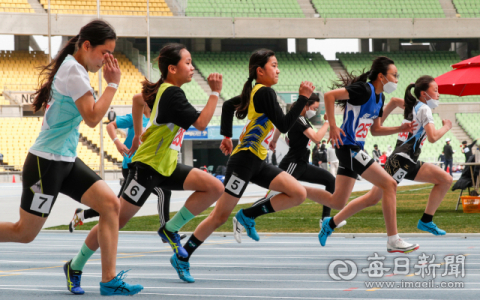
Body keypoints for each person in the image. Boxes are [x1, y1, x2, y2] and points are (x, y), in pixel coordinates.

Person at [0, 20, 143, 296]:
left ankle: (108, 280)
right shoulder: (74, 71)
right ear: (87, 46)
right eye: (105, 53)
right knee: (24, 233)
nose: (108, 60)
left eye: (112, 54)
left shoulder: (74, 67)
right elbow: (92, 118)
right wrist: (113, 85)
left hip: (65, 161)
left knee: (111, 205)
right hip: (45, 165)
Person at [67, 43, 225, 286]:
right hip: (148, 169)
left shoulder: (164, 89)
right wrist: (214, 92)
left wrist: (139, 134)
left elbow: (138, 99)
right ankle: (75, 266)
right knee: (114, 221)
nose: (193, 68)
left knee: (214, 187)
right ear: (172, 69)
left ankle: (170, 228)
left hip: (167, 166)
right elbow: (202, 123)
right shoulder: (172, 93)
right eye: (188, 62)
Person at [167, 49, 316, 283]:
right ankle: (183, 257)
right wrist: (303, 98)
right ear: (260, 71)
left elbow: (228, 107)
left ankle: (247, 215)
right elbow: (285, 125)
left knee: (298, 193)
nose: (278, 70)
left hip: (258, 161)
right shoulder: (264, 92)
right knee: (219, 216)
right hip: (244, 162)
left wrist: (226, 136)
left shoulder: (257, 92)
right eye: (274, 65)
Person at [321, 75, 453, 246]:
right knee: (372, 198)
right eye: (435, 90)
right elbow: (433, 137)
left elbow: (394, 101)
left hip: (409, 161)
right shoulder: (425, 109)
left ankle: (426, 220)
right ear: (423, 93)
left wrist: (379, 120)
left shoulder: (414, 105)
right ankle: (331, 223)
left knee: (445, 179)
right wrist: (447, 127)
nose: (438, 94)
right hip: (400, 160)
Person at [318, 56, 418, 254]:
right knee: (389, 184)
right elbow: (329, 96)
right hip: (348, 148)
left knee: (339, 201)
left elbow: (376, 130)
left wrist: (401, 127)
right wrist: (332, 126)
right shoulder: (364, 90)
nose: (397, 79)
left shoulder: (379, 98)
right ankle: (393, 240)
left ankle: (327, 222)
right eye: (394, 75)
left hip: (356, 149)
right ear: (381, 76)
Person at [239, 94, 346, 244]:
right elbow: (316, 138)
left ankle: (325, 220)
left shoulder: (297, 117)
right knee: (271, 197)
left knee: (329, 180)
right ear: (306, 106)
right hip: (292, 165)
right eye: (314, 108)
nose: (315, 111)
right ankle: (245, 216)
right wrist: (327, 123)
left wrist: (275, 140)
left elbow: (281, 125)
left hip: (302, 164)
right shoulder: (300, 119)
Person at [68, 106, 184, 242]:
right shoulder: (135, 117)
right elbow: (111, 125)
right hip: (131, 167)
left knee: (116, 206)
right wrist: (117, 142)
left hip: (145, 167)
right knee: (163, 192)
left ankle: (82, 215)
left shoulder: (156, 120)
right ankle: (167, 231)